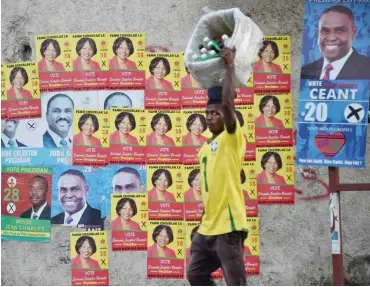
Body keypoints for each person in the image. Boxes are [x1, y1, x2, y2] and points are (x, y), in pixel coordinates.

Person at [187, 47, 248, 286]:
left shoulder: (232, 139)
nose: (210, 116)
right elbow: (211, 188)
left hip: (228, 226)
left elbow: (229, 105)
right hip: (208, 226)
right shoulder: (205, 148)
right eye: (207, 113)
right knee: (195, 274)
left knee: (235, 282)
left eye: (216, 112)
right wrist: (202, 218)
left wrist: (230, 67)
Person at [301, 5, 370, 80]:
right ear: (318, 33)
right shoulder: (305, 72)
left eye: (339, 31)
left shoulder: (367, 68)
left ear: (353, 33)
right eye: (325, 31)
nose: (331, 38)